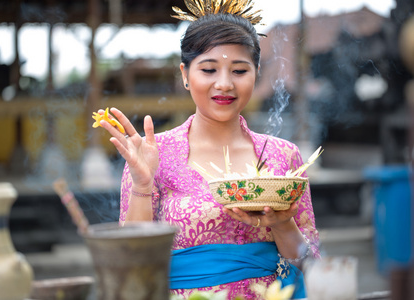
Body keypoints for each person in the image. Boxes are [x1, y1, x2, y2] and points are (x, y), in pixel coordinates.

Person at [98, 1, 320, 299]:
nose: (225, 83)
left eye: (239, 70)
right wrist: (142, 184)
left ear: (256, 73)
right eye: (209, 69)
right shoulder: (154, 154)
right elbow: (133, 262)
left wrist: (282, 224)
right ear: (185, 75)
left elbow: (311, 266)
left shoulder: (284, 155)